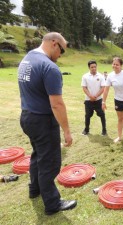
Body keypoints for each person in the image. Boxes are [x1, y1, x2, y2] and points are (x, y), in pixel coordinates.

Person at [18, 32, 77, 215]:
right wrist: (66, 131)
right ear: (54, 43)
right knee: (49, 163)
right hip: (43, 121)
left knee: (37, 156)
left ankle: (34, 190)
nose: (60, 55)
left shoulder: (26, 60)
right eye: (62, 51)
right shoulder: (49, 67)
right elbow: (57, 104)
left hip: (27, 117)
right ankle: (52, 203)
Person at [102, 57, 123, 143]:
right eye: (113, 64)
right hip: (118, 100)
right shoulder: (110, 75)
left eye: (117, 64)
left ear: (121, 65)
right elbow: (106, 90)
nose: (115, 66)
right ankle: (119, 136)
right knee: (120, 119)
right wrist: (103, 101)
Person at [81, 60, 107, 136]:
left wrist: (95, 96)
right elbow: (84, 88)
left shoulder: (101, 76)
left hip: (98, 100)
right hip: (88, 100)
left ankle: (104, 130)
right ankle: (86, 129)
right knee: (87, 115)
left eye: (95, 67)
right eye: (92, 67)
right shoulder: (85, 76)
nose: (94, 68)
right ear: (89, 67)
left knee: (102, 114)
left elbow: (103, 87)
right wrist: (90, 96)